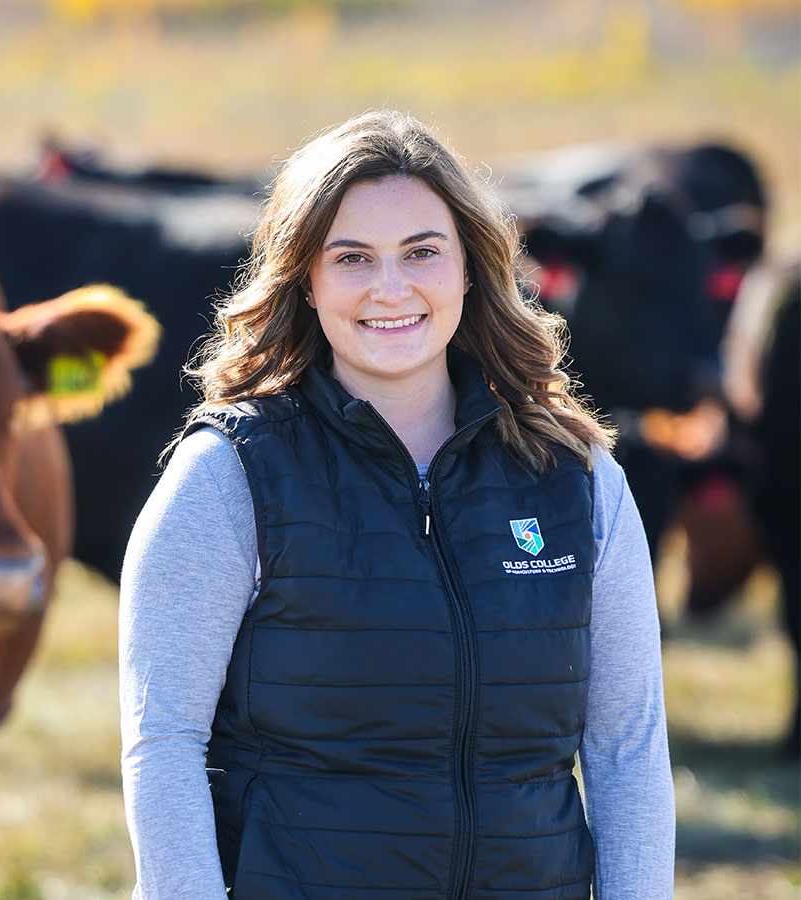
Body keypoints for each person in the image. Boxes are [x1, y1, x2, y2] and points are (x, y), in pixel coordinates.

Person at [119, 110, 676, 900]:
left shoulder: (576, 477)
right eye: (352, 258)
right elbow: (162, 743)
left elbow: (626, 746)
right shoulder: (227, 475)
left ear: (471, 270)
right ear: (304, 281)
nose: (391, 287)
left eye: (422, 251)